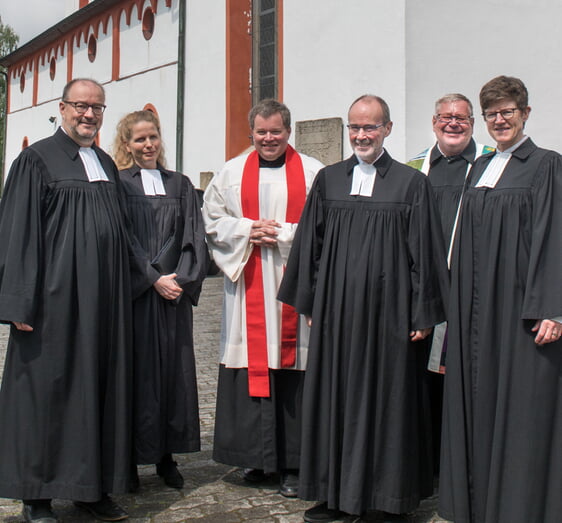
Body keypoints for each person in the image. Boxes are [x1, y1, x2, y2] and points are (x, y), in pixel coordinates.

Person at [278, 94, 449, 522]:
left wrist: (421, 314)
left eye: (370, 127)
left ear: (387, 128)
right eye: (355, 127)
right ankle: (334, 493)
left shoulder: (411, 185)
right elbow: (310, 246)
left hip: (390, 319)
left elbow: (424, 253)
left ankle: (388, 500)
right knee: (333, 400)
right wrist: (311, 300)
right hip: (336, 317)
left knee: (389, 404)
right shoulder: (330, 180)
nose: (361, 135)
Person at [0, 79, 143, 522]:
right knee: (47, 393)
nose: (89, 115)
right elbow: (17, 232)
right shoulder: (36, 159)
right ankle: (37, 496)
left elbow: (121, 232)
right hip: (55, 303)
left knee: (99, 391)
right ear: (62, 108)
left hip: (105, 303)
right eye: (81, 106)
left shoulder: (104, 161)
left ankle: (91, 488)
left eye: (97, 108)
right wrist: (19, 302)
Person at [439, 76, 562, 523]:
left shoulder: (546, 164)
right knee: (479, 400)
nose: (499, 120)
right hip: (475, 313)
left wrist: (552, 307)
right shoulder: (480, 168)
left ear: (525, 113)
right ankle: (479, 503)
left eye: (507, 111)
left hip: (518, 311)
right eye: (491, 114)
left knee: (521, 407)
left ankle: (518, 507)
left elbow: (554, 236)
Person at [202, 99, 323, 498]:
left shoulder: (313, 172)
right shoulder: (232, 172)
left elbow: (325, 227)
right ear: (250, 133)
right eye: (261, 132)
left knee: (295, 368)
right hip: (249, 284)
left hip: (294, 287)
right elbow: (211, 219)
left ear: (289, 131)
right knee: (251, 364)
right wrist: (246, 230)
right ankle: (256, 458)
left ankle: (293, 463)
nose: (268, 139)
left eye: (276, 131)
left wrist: (286, 235)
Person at [113, 111, 209, 490]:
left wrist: (179, 281)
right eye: (139, 139)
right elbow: (121, 238)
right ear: (127, 144)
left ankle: (167, 457)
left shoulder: (180, 184)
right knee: (137, 375)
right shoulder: (118, 185)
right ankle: (132, 460)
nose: (148, 145)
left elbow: (193, 236)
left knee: (171, 375)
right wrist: (152, 278)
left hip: (172, 300)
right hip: (137, 298)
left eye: (152, 137)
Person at [407, 94, 494, 475]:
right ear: (433, 121)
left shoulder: (493, 164)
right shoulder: (414, 169)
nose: (453, 123)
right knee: (423, 379)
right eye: (446, 117)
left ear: (473, 123)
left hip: (473, 292)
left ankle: (467, 464)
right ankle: (427, 460)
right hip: (423, 292)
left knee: (469, 374)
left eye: (461, 117)